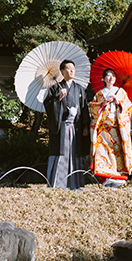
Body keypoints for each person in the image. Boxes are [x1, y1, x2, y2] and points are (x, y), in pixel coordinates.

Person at [44, 59, 89, 189]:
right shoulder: (54, 88)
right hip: (61, 127)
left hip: (76, 127)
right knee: (61, 153)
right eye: (68, 69)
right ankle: (58, 183)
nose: (72, 71)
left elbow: (84, 108)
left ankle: (76, 183)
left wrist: (85, 126)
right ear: (62, 72)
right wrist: (58, 98)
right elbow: (48, 106)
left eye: (73, 69)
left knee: (75, 153)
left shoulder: (79, 89)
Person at [88, 67, 132, 185]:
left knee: (116, 152)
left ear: (115, 78)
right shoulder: (100, 94)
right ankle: (104, 177)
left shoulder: (121, 92)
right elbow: (92, 107)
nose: (110, 78)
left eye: (113, 75)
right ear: (103, 79)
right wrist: (101, 104)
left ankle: (117, 177)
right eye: (108, 75)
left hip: (116, 127)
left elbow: (128, 108)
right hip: (103, 128)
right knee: (101, 151)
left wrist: (118, 102)